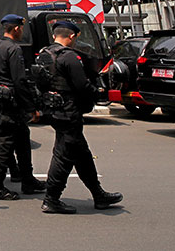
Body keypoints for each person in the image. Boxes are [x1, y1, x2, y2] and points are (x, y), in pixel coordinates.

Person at [40, 21, 123, 214]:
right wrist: (97, 93)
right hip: (69, 112)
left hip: (54, 109)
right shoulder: (69, 56)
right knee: (63, 156)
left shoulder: (45, 54)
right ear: (72, 36)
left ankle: (98, 194)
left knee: (82, 154)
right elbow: (82, 85)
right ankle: (51, 198)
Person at [0, 14, 45, 200]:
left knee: (21, 139)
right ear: (16, 29)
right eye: (21, 28)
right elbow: (19, 80)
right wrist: (31, 107)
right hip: (9, 104)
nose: (22, 31)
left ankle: (27, 180)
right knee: (4, 144)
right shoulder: (13, 49)